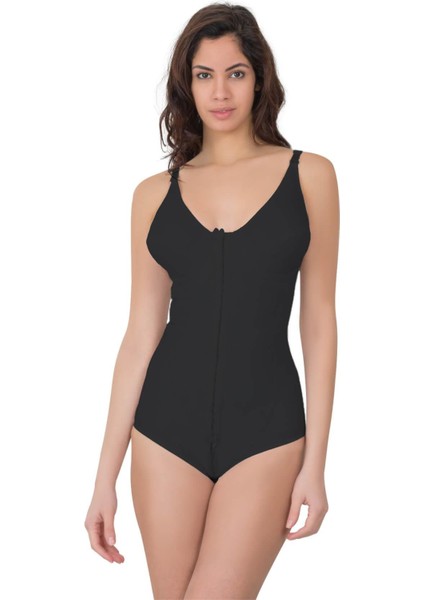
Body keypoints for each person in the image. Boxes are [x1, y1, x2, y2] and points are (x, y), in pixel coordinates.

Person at [84, 3, 339, 598]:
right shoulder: (153, 195)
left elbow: (319, 321)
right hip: (164, 431)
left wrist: (317, 463)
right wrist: (103, 478)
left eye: (236, 73)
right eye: (204, 75)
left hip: (269, 431)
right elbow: (140, 335)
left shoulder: (309, 176)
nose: (220, 92)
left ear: (260, 79)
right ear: (187, 84)